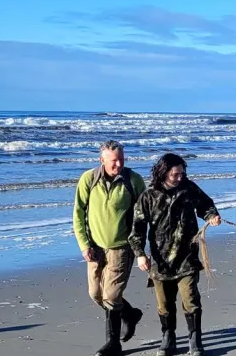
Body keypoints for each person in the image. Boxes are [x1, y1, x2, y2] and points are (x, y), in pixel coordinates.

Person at [129, 153, 221, 356]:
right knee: (164, 303)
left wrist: (212, 215)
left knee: (190, 299)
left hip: (187, 256)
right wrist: (140, 254)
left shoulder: (188, 188)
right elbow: (137, 228)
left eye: (182, 173)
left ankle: (195, 340)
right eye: (175, 174)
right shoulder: (149, 196)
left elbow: (205, 204)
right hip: (160, 260)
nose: (180, 177)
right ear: (163, 173)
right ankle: (168, 337)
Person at [72, 140, 147, 356]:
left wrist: (140, 247)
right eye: (114, 160)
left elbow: (144, 215)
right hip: (95, 248)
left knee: (112, 296)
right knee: (96, 294)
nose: (118, 164)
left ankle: (113, 344)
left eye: (122, 159)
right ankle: (130, 314)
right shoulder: (89, 179)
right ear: (102, 160)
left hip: (122, 247)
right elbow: (78, 214)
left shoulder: (133, 180)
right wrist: (84, 244)